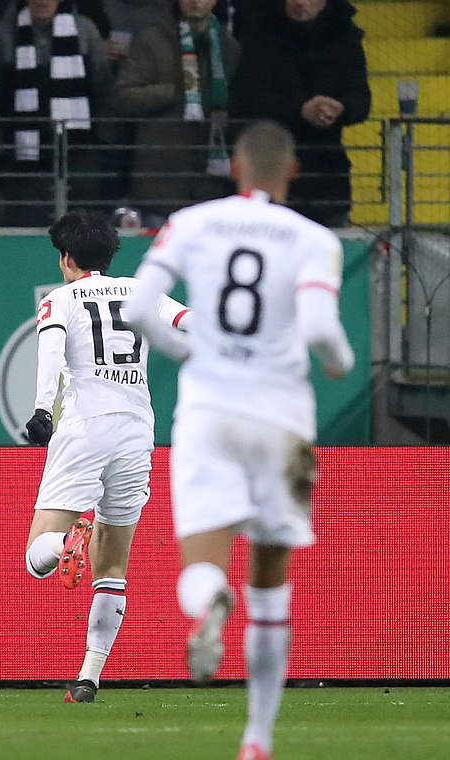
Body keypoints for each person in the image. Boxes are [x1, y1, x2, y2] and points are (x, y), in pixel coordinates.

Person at [124, 121, 353, 760]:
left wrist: (190, 348)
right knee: (272, 584)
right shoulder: (315, 239)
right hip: (282, 419)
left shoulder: (193, 222)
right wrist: (339, 361)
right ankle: (257, 738)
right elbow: (319, 326)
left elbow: (142, 307)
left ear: (233, 166)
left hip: (207, 412)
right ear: (294, 172)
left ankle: (211, 602)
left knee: (200, 564)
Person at [22, 210, 190, 704]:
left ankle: (69, 539)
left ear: (66, 257)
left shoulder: (60, 299)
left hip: (84, 427)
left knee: (38, 559)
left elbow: (51, 353)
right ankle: (89, 678)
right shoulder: (142, 293)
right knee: (112, 567)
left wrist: (39, 410)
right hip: (137, 432)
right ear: (112, 254)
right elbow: (188, 321)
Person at [0, 0, 113, 226]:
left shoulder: (86, 31)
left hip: (81, 162)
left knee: (83, 241)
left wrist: (100, 145)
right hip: (20, 166)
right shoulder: (0, 36)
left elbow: (105, 93)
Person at [229, 0, 369, 227]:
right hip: (270, 176)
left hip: (328, 180)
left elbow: (362, 101)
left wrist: (340, 109)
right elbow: (246, 99)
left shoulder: (346, 38)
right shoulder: (259, 37)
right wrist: (298, 111)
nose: (300, 2)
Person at [114, 0, 239, 225]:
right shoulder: (150, 41)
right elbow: (124, 97)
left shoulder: (228, 46)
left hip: (212, 190)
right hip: (159, 188)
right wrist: (173, 92)